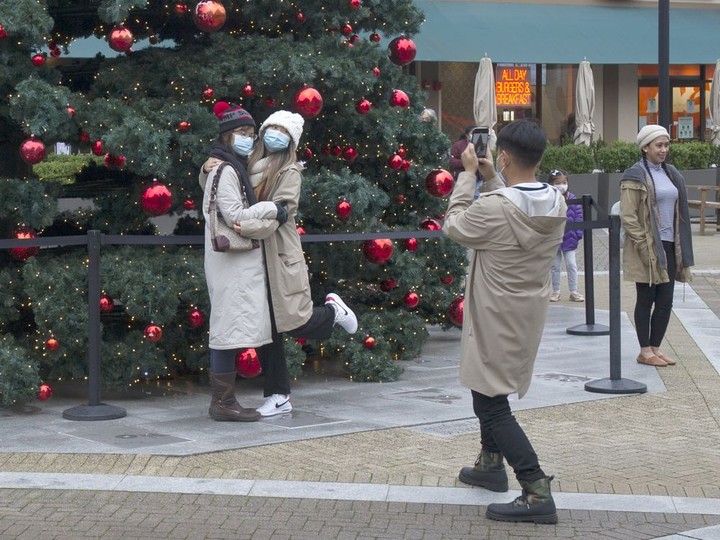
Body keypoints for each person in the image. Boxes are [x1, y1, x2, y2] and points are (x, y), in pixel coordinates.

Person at [443, 119, 567, 524]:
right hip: (526, 312)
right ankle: (489, 464)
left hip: (494, 311)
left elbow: (455, 225)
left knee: (490, 401)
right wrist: (494, 177)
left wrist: (466, 177)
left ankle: (534, 489)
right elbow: (512, 212)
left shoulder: (495, 207)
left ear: (505, 154)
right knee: (489, 386)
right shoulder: (555, 202)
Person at [202, 110, 358, 417]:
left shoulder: (289, 172)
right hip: (255, 260)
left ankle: (332, 312)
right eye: (270, 129)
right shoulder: (245, 162)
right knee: (268, 327)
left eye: (282, 132)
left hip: (278, 254)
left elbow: (278, 216)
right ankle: (278, 395)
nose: (274, 136)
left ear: (291, 140)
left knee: (294, 319)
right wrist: (207, 168)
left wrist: (241, 229)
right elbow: (221, 185)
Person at [200, 103, 285, 422]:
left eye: (252, 134)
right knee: (226, 328)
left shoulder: (229, 165)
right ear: (226, 136)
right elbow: (234, 215)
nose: (248, 139)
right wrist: (272, 209)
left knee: (230, 327)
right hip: (230, 261)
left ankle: (223, 401)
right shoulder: (224, 169)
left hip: (232, 263)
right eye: (243, 134)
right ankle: (222, 403)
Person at [620, 124, 694, 367]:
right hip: (649, 245)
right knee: (646, 298)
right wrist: (643, 245)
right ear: (645, 147)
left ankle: (655, 347)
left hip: (672, 245)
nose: (664, 150)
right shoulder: (635, 175)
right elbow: (628, 216)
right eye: (659, 145)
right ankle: (644, 350)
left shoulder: (671, 173)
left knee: (666, 300)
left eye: (666, 145)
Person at [547, 169, 584, 303]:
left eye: (564, 182)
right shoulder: (548, 198)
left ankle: (573, 291)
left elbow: (579, 216)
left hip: (570, 238)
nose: (562, 185)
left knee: (571, 265)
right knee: (555, 266)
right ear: (551, 184)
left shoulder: (572, 198)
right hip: (554, 239)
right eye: (558, 183)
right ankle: (556, 291)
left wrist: (578, 233)